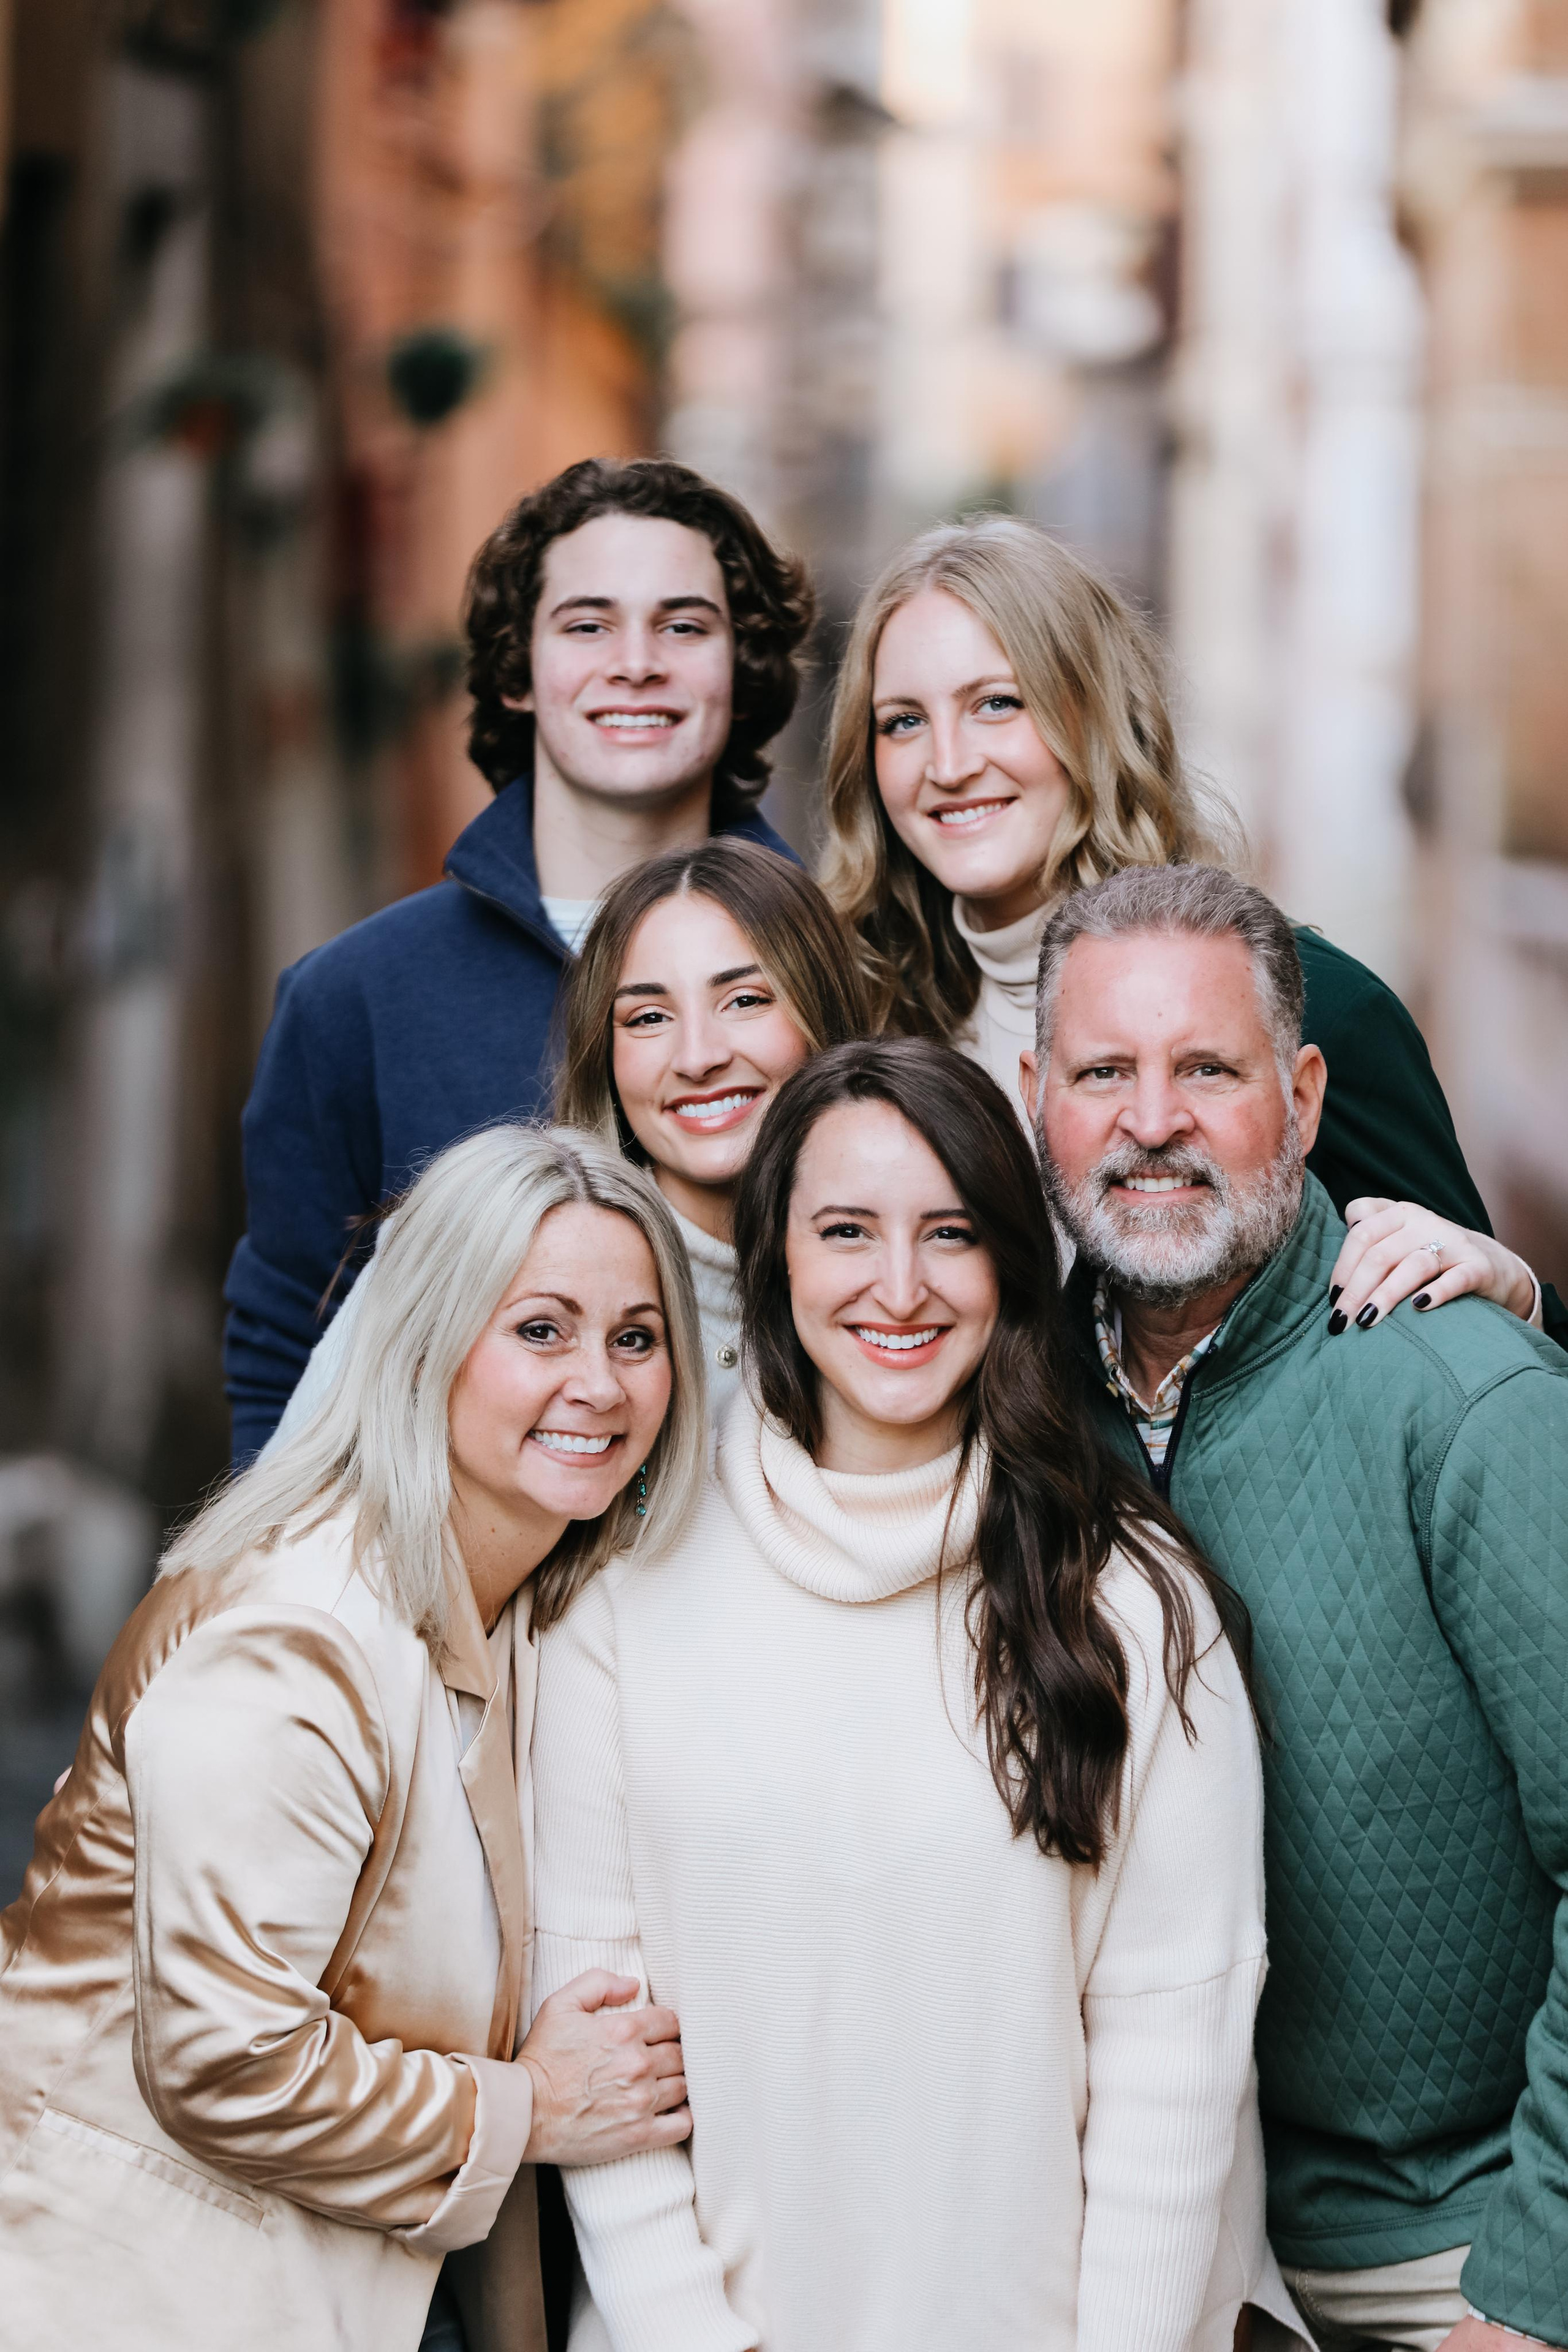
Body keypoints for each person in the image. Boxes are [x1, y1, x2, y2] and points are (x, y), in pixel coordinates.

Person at [530, 1038, 1305, 2352]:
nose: (898, 1287)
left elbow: (1171, 2077)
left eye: (948, 1233)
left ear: (1012, 1261)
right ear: (774, 1256)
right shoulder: (625, 1583)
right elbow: (606, 2065)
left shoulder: (1130, 1607)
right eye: (845, 1230)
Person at [0, 1125, 709, 2352]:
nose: (599, 1382)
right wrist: (531, 2108)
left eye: (634, 1338)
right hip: (136, 2293)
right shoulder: (297, 1638)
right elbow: (227, 2064)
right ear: (431, 1342)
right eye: (540, 1329)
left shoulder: (526, 1603)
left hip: (341, 2280)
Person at [1023, 863, 1568, 2352]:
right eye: (1100, 1072)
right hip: (1151, 2251)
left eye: (1205, 1067)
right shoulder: (1012, 1421)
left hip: (1448, 2256)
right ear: (1032, 1097)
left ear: (1305, 1093)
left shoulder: (1458, 1403)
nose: (1149, 1119)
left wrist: (1529, 2285)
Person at [819, 512, 1563, 1346]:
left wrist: (1513, 1290)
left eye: (997, 703)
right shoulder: (860, 1013)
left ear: (1092, 713)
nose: (948, 764)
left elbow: (1508, 1375)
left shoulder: (1312, 1005)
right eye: (903, 722)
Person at [224, 457, 813, 1463]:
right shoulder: (354, 1001)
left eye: (684, 625)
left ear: (740, 670)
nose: (637, 662)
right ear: (516, 673)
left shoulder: (852, 974)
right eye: (588, 625)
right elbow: (284, 1347)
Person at [554, 837, 871, 1413]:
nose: (698, 1058)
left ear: (821, 1011)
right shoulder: (495, 1244)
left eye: (745, 1000)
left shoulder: (910, 1265)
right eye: (649, 1017)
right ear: (604, 1054)